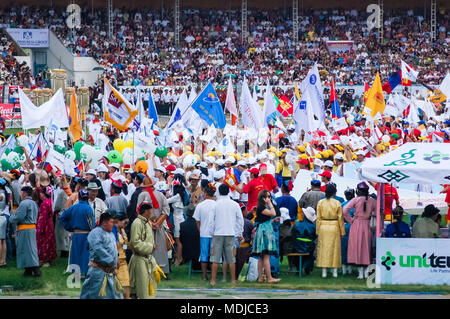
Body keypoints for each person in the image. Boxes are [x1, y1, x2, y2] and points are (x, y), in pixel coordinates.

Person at [80, 212, 122, 299]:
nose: (113, 225)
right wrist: (109, 259)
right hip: (98, 272)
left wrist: (116, 259)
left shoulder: (111, 234)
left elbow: (113, 249)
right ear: (104, 223)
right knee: (92, 295)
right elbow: (98, 248)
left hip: (109, 272)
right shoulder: (95, 233)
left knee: (114, 296)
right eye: (111, 222)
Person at [209, 184, 244, 286]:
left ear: (219, 192)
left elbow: (211, 221)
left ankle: (213, 280)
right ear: (229, 192)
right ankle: (233, 280)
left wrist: (212, 232)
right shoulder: (234, 204)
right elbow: (240, 220)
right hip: (230, 233)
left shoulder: (215, 204)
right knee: (231, 258)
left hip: (217, 234)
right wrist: (239, 233)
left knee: (215, 259)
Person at [343, 182, 377, 279]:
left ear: (358, 190)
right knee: (366, 248)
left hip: (356, 224)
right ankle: (366, 273)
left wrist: (350, 220)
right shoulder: (372, 200)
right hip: (367, 224)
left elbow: (345, 210)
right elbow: (378, 211)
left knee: (357, 247)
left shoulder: (355, 200)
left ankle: (360, 273)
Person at [137, 177, 170, 275]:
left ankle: (148, 269)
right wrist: (158, 223)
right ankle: (161, 270)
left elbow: (139, 210)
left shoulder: (142, 194)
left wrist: (151, 223)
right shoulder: (160, 194)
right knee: (159, 248)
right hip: (158, 224)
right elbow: (166, 211)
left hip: (147, 224)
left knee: (148, 247)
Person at [60, 189, 96, 276]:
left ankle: (76, 274)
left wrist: (69, 228)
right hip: (87, 235)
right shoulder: (88, 208)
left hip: (76, 234)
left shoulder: (74, 207)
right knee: (85, 255)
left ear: (79, 197)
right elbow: (92, 224)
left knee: (75, 254)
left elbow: (62, 217)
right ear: (87, 198)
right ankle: (85, 273)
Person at [128, 202, 158, 299]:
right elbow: (135, 243)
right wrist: (150, 247)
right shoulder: (137, 223)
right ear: (146, 211)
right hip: (140, 260)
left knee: (149, 290)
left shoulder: (147, 222)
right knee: (142, 290)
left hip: (148, 259)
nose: (151, 212)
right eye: (150, 210)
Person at [9, 186, 40, 277]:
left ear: (25, 193)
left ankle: (35, 269)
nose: (21, 195)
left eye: (22, 193)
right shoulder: (34, 203)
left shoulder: (24, 203)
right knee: (28, 249)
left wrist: (11, 218)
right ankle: (28, 270)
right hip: (31, 228)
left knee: (28, 250)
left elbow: (19, 217)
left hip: (25, 229)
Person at [316, 183, 346, 278]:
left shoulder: (320, 202)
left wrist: (317, 231)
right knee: (335, 249)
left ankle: (324, 272)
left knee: (323, 249)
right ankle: (335, 272)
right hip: (334, 227)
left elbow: (318, 217)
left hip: (323, 226)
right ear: (334, 192)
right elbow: (340, 218)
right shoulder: (337, 203)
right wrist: (342, 231)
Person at [251, 189, 281, 283]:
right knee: (266, 256)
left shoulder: (261, 207)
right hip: (265, 232)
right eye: (267, 197)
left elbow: (263, 220)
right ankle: (269, 278)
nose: (269, 198)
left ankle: (260, 278)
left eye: (270, 197)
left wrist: (272, 221)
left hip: (264, 229)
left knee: (261, 256)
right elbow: (273, 213)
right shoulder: (261, 207)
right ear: (262, 198)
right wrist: (271, 204)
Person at [193, 184, 216, 280]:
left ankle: (204, 275)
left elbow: (197, 220)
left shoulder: (200, 205)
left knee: (204, 255)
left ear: (205, 194)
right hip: (215, 233)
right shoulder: (217, 204)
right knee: (214, 256)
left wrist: (200, 230)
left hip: (204, 233)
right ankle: (212, 276)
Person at [291, 207, 317, 275]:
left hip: (298, 246)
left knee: (296, 252)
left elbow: (293, 234)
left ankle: (298, 268)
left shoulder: (297, 224)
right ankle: (308, 268)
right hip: (309, 247)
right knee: (310, 254)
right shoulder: (313, 226)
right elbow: (315, 236)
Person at [167, 179, 186, 266]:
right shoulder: (180, 196)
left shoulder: (177, 196)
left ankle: (179, 259)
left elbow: (166, 201)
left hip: (177, 219)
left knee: (178, 241)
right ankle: (179, 257)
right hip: (179, 218)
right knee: (179, 240)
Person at [36, 186, 57, 266]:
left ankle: (44, 260)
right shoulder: (50, 201)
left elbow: (43, 217)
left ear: (44, 194)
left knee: (44, 241)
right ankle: (50, 259)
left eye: (41, 193)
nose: (40, 194)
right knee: (50, 240)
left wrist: (39, 228)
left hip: (45, 225)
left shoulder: (44, 203)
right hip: (50, 224)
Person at [179, 204, 200, 270]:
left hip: (186, 252)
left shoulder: (182, 225)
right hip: (198, 251)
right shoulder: (199, 225)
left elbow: (181, 239)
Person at [115, 211, 131, 299]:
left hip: (123, 259)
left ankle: (127, 298)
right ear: (118, 221)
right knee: (115, 283)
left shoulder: (123, 231)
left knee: (126, 282)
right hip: (115, 260)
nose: (126, 224)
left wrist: (129, 246)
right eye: (125, 222)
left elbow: (124, 244)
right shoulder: (113, 232)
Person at [0, 178, 9, 267]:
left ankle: (1, 260)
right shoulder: (4, 193)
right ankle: (3, 260)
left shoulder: (1, 194)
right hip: (3, 217)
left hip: (0, 217)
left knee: (0, 240)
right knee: (3, 240)